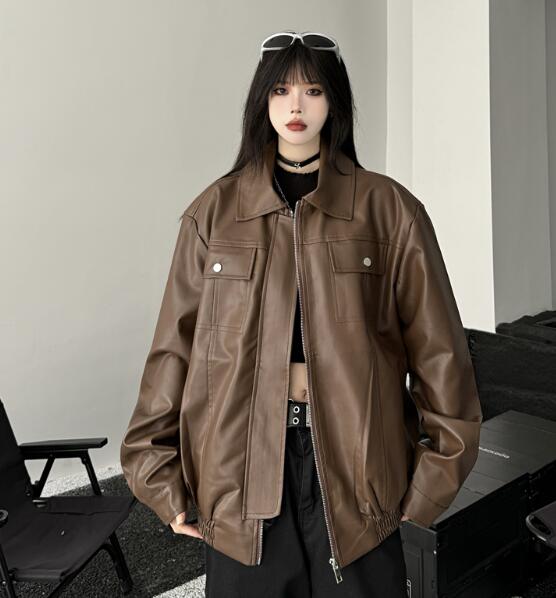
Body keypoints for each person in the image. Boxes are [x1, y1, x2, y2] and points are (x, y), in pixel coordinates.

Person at [120, 30, 483, 597]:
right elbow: (175, 350)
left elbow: (442, 357)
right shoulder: (213, 214)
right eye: (281, 90)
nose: (296, 106)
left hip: (360, 482)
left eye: (313, 90)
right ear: (261, 101)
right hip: (241, 476)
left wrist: (427, 489)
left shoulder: (389, 210)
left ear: (334, 101)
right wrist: (158, 475)